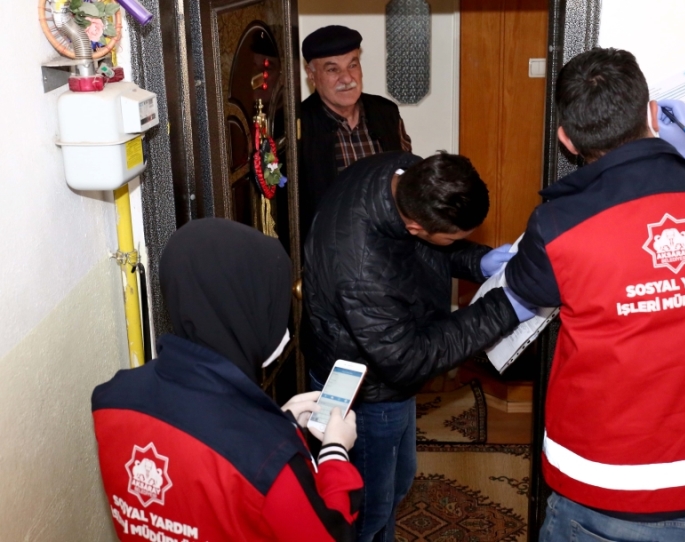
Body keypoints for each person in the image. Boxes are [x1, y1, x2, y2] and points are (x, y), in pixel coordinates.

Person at [504, 48, 685, 541]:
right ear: (653, 113)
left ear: (565, 139)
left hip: (607, 498)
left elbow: (524, 290)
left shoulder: (560, 225)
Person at [303, 150, 533, 542]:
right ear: (413, 225)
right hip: (368, 389)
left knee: (400, 479)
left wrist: (478, 263)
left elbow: (431, 245)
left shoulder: (403, 171)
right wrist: (502, 309)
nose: (458, 243)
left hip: (385, 364)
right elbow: (408, 359)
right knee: (368, 506)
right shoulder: (362, 269)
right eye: (455, 239)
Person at [92, 218, 364, 541]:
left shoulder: (111, 399)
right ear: (243, 307)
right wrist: (335, 450)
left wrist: (281, 423)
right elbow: (331, 534)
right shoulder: (266, 457)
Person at [299, 25, 412, 238]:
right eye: (333, 69)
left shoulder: (386, 113)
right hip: (329, 249)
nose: (347, 78)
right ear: (311, 75)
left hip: (389, 244)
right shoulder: (297, 125)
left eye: (353, 65)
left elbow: (406, 177)